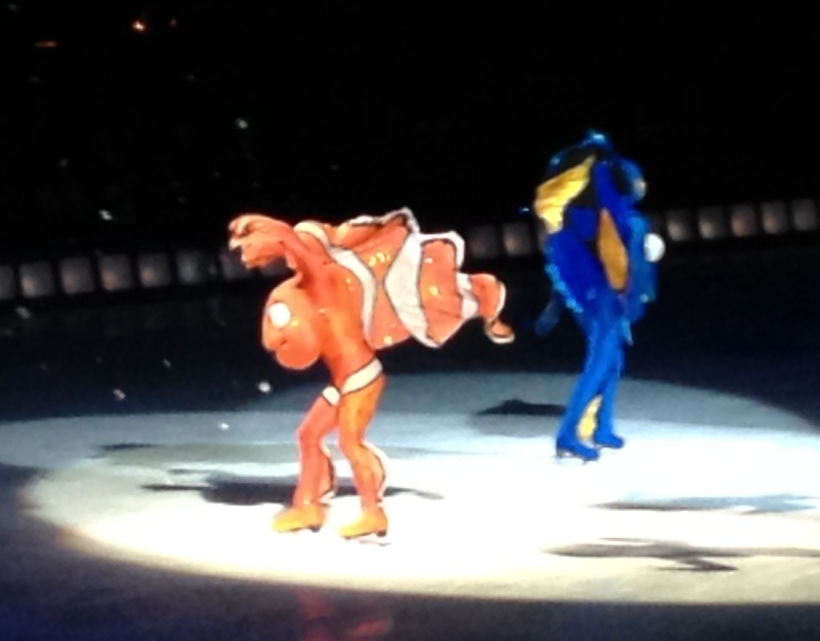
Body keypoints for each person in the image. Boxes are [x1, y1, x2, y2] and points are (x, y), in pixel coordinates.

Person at [227, 207, 514, 538]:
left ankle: (373, 513)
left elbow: (300, 250)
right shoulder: (305, 291)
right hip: (344, 380)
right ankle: (309, 505)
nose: (246, 257)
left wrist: (279, 232)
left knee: (351, 442)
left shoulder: (319, 282)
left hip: (361, 377)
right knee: (308, 435)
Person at [530, 131, 663, 460]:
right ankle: (567, 433)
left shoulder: (582, 210)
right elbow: (617, 261)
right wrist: (625, 299)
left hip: (593, 295)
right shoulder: (615, 213)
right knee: (600, 364)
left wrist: (556, 305)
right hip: (605, 296)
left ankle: (602, 426)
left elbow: (570, 260)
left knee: (612, 362)